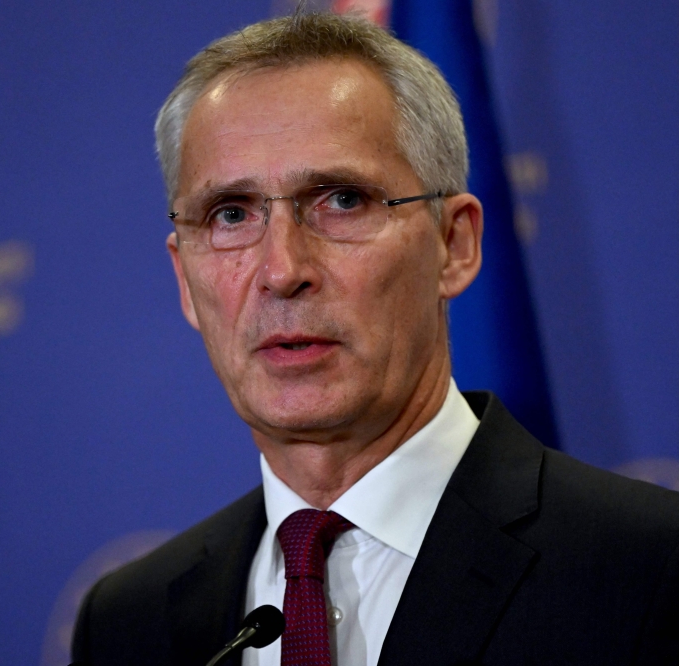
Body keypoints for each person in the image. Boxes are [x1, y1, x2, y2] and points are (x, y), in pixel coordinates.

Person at [70, 12, 679, 666]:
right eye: (232, 214)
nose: (282, 271)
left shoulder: (650, 569)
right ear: (185, 280)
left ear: (455, 244)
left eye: (341, 201)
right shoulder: (127, 626)